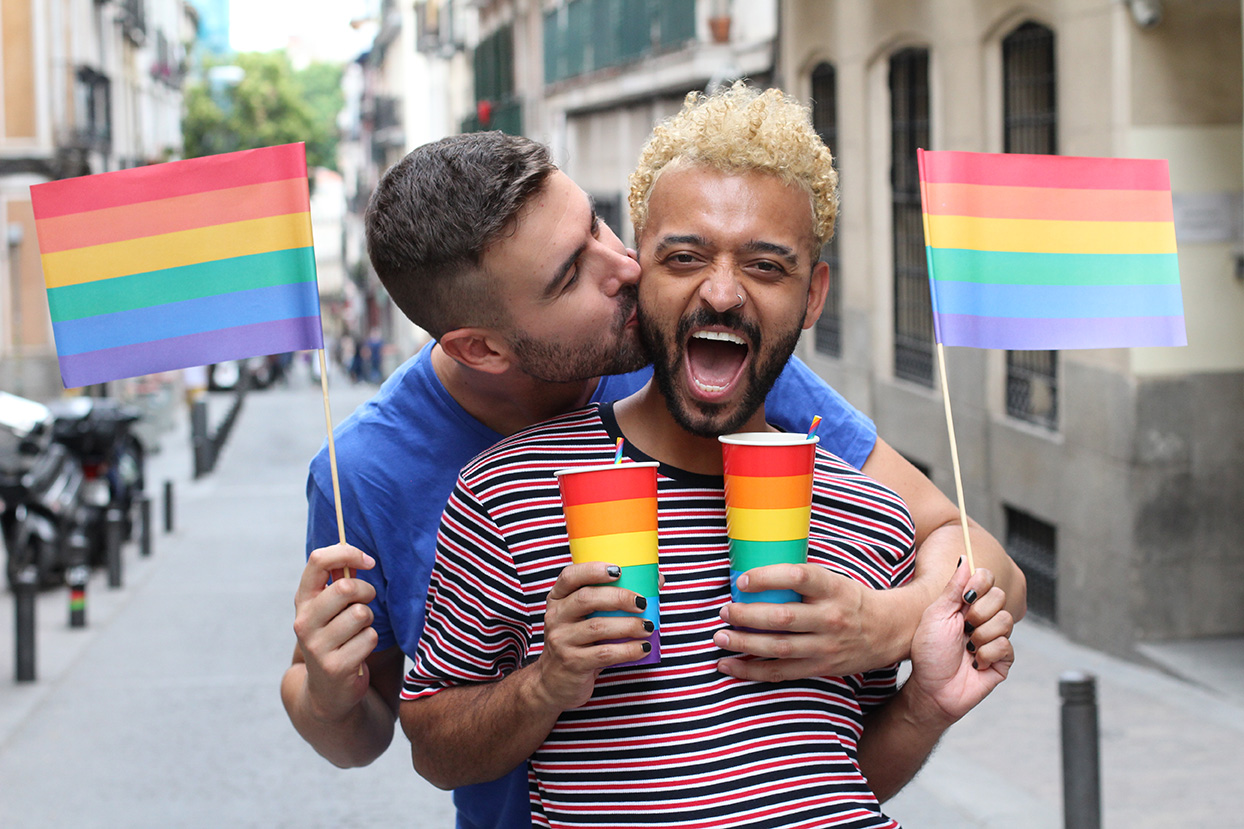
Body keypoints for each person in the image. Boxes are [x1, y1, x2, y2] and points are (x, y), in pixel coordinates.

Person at [281, 130, 1024, 827]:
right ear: (482, 347)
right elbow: (375, 734)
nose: (627, 269)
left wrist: (877, 629)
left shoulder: (696, 366)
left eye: (599, 227)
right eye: (574, 272)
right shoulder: (371, 474)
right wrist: (324, 690)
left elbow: (967, 551)